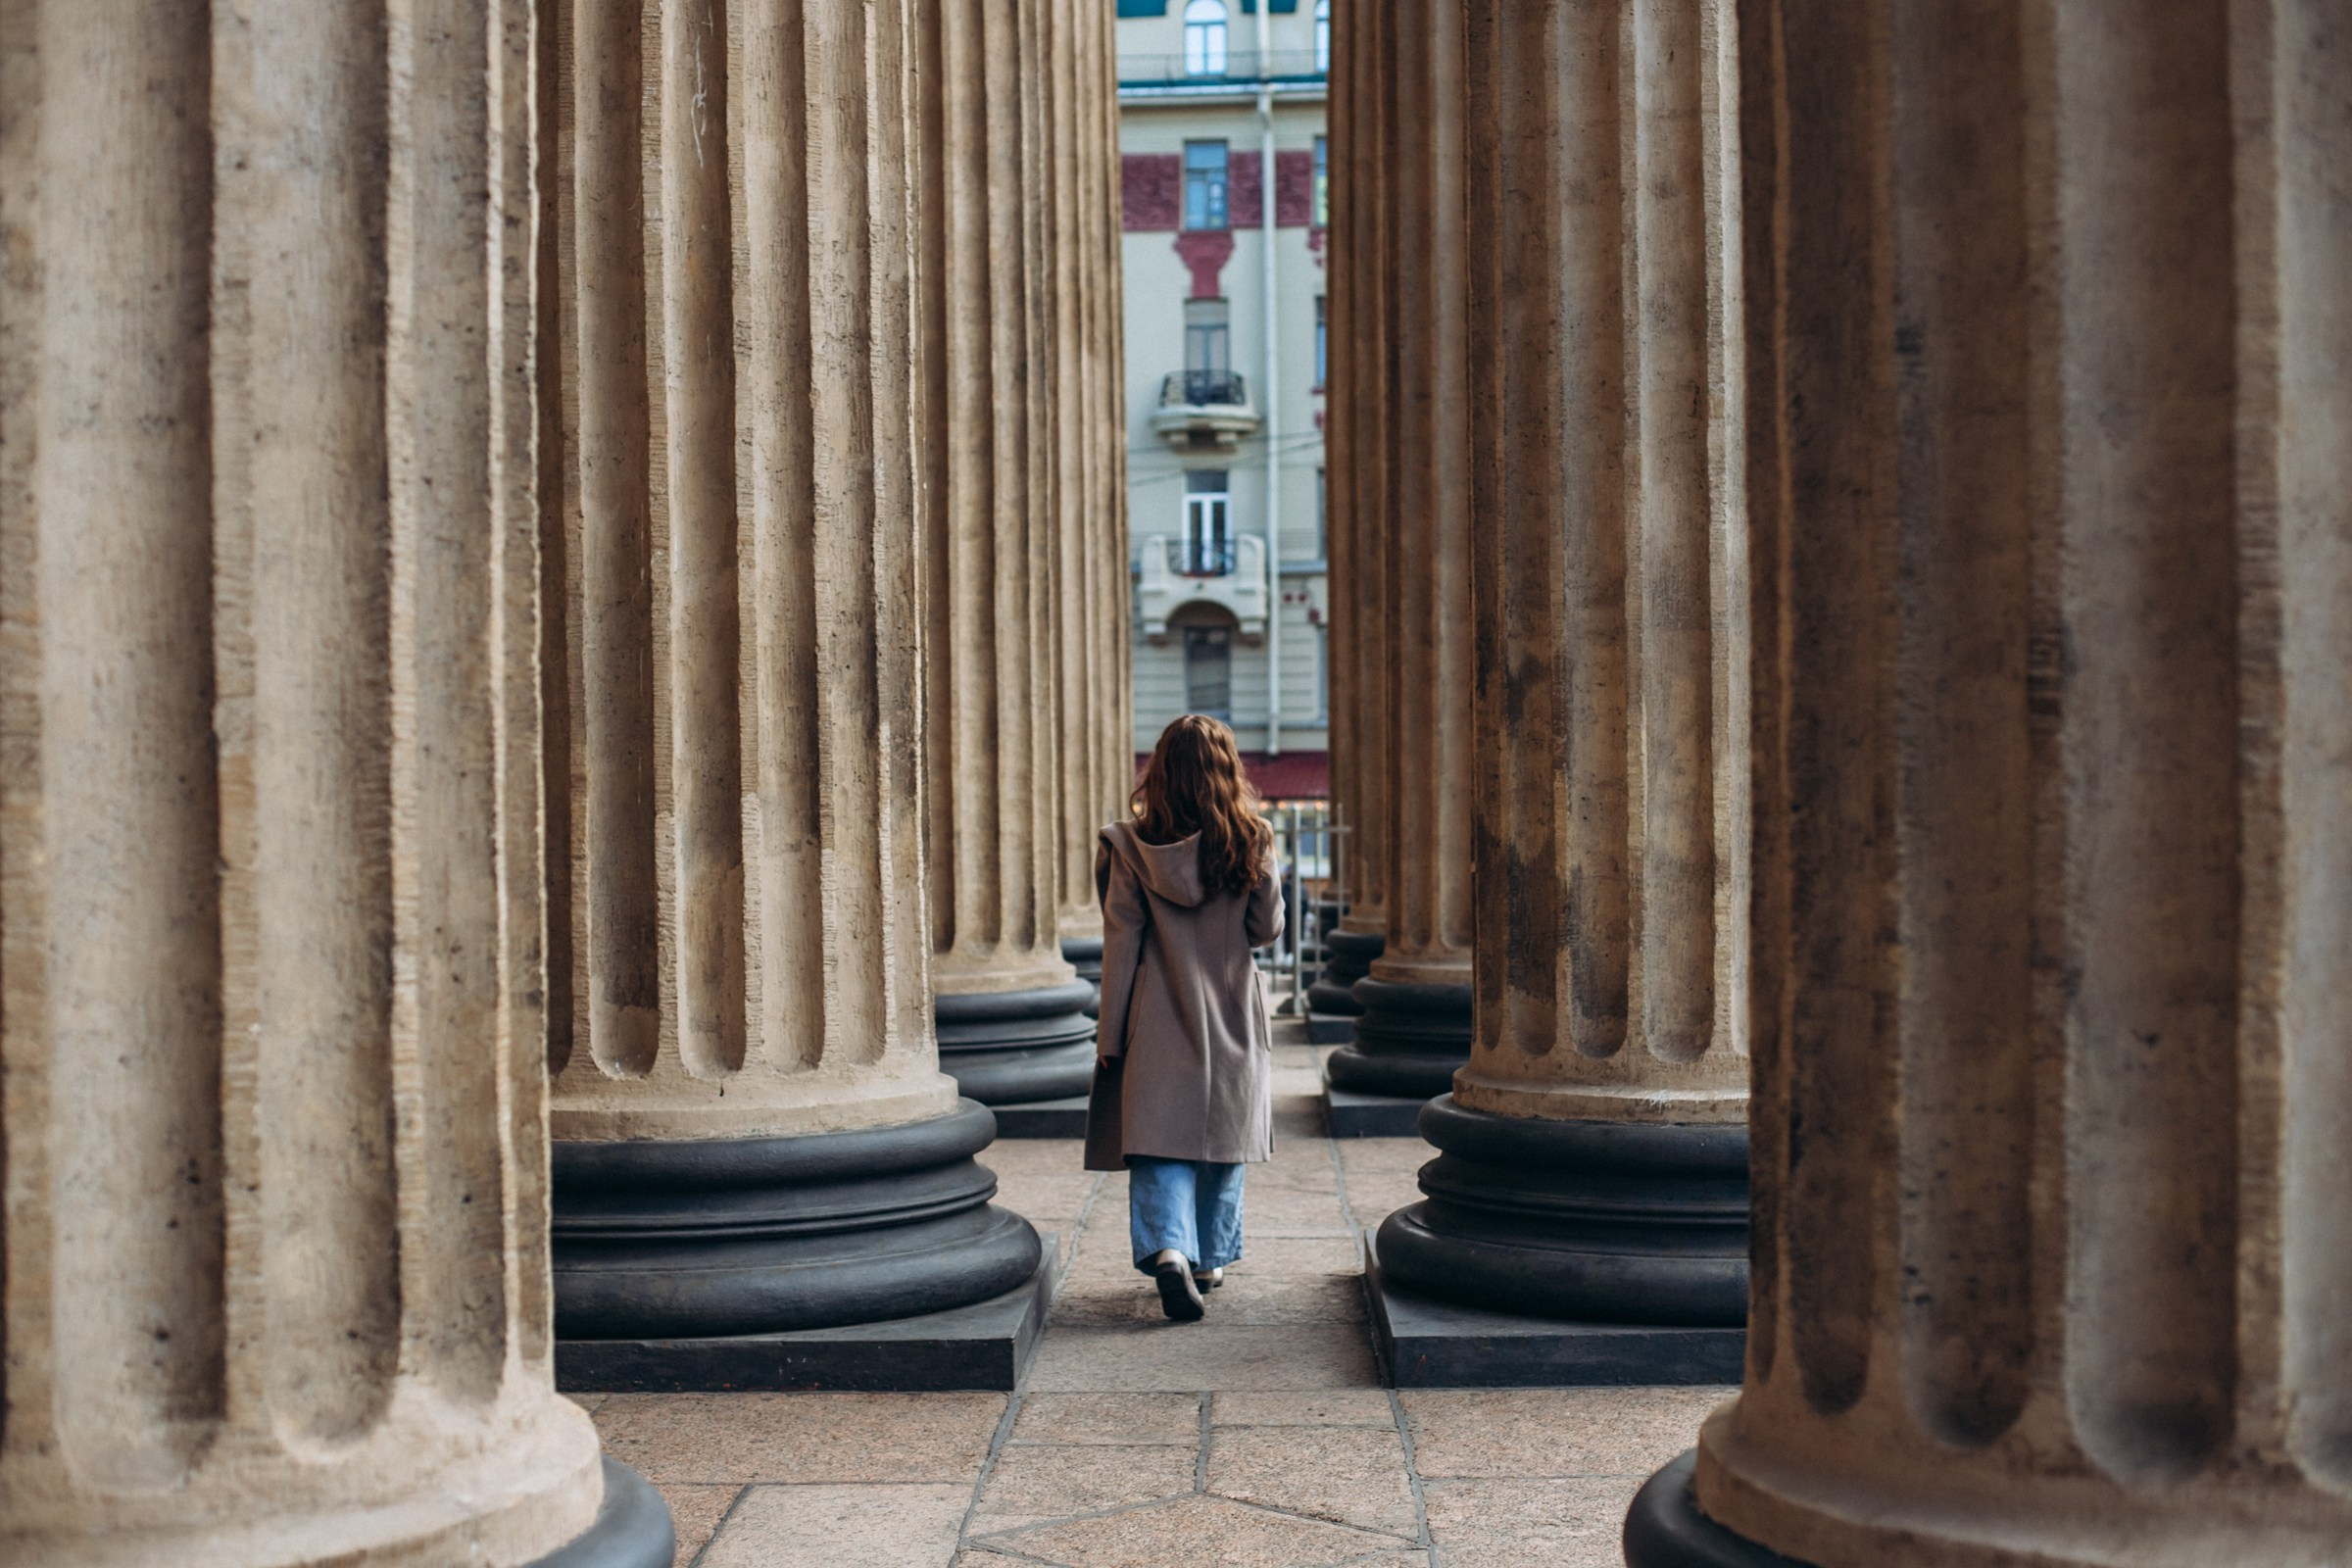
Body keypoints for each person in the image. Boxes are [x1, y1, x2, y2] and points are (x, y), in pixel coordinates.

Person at [1084, 713, 1285, 1322]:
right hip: (1232, 1010)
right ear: (1228, 771)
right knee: (1224, 1136)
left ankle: (1170, 1249)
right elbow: (1265, 929)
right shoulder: (1252, 837)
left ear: (1161, 771)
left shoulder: (1129, 846)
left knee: (1156, 1140)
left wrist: (1110, 1036)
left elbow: (1122, 943)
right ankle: (1209, 1259)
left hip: (1156, 1011)